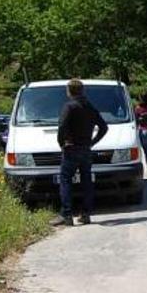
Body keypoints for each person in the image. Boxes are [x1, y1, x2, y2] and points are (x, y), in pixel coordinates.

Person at [52, 79, 108, 226]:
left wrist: (61, 143)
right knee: (86, 181)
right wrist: (93, 142)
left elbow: (62, 126)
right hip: (85, 149)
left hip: (71, 148)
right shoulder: (89, 106)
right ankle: (86, 214)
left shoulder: (69, 106)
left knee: (65, 179)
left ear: (69, 91)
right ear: (82, 90)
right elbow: (103, 127)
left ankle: (67, 214)